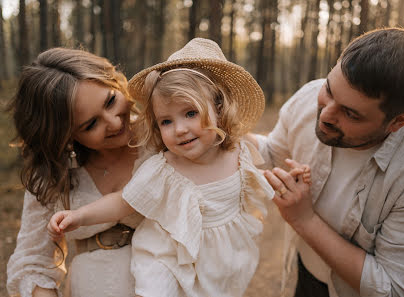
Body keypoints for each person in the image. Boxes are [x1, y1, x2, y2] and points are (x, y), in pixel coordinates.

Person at [47, 38, 312, 297]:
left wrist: (291, 175)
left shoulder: (239, 152)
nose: (180, 129)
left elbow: (265, 167)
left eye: (190, 113)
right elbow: (124, 202)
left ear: (219, 107)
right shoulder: (166, 168)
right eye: (166, 121)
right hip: (167, 256)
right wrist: (80, 216)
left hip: (224, 258)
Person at [251, 27, 404, 297]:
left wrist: (304, 220)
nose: (325, 115)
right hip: (308, 272)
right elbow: (272, 151)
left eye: (351, 114)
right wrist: (218, 136)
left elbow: (395, 289)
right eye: (329, 90)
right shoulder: (310, 97)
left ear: (399, 121)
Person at [6, 48, 147, 297]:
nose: (114, 122)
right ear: (66, 136)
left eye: (111, 101)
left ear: (114, 81)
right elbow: (32, 264)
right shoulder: (53, 174)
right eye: (91, 124)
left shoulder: (165, 137)